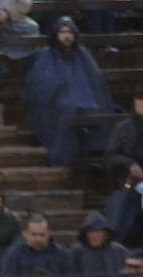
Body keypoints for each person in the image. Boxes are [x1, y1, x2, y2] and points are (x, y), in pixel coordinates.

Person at [24, 18, 113, 167]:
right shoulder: (47, 54)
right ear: (56, 34)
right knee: (68, 109)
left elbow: (95, 81)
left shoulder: (83, 54)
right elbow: (41, 83)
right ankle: (62, 157)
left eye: (70, 32)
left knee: (95, 109)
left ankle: (95, 151)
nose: (66, 36)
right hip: (56, 100)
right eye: (62, 32)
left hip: (85, 99)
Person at [0, 213, 73, 277]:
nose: (38, 239)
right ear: (25, 233)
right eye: (34, 234)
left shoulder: (60, 253)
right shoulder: (13, 253)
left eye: (42, 235)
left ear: (48, 233)